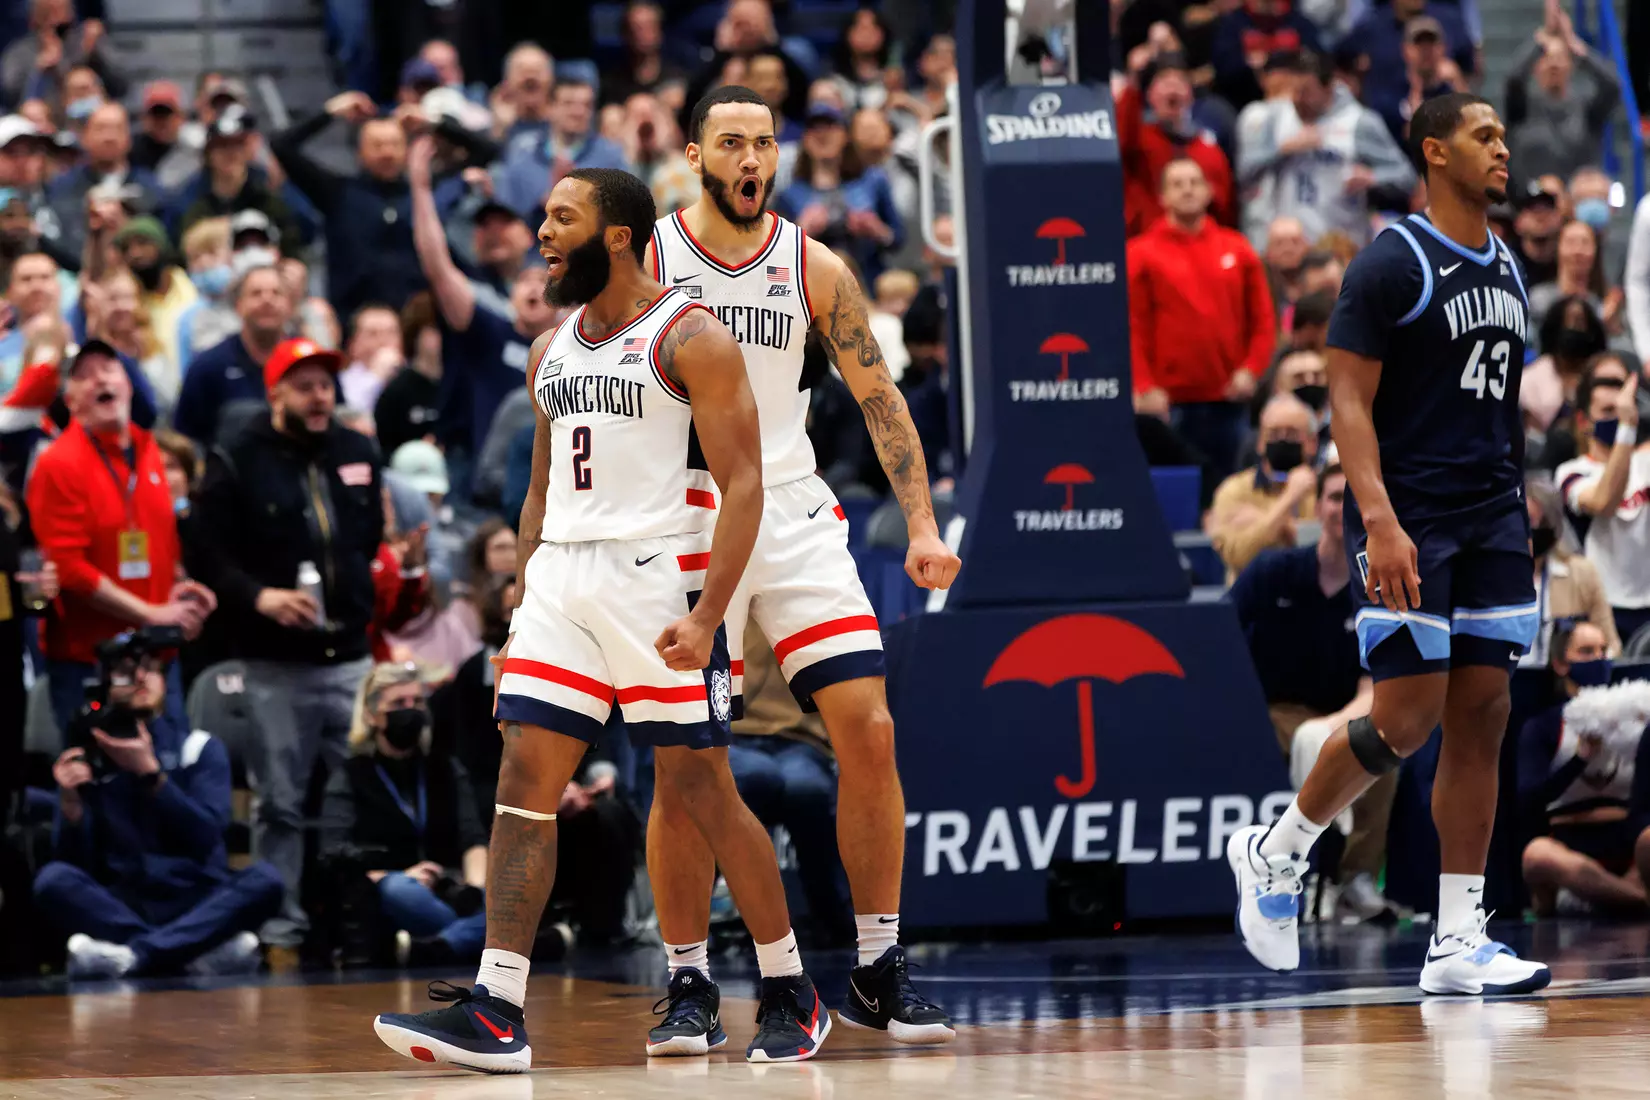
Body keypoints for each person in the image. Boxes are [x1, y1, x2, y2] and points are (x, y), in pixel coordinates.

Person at [372, 166, 829, 1070]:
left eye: (561, 220)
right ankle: (498, 1007)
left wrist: (706, 615)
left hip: (660, 576)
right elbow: (539, 488)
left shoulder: (691, 334)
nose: (543, 235)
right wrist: (522, 597)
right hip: (563, 583)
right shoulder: (550, 350)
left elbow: (744, 484)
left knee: (700, 789)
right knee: (521, 785)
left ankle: (789, 985)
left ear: (616, 235)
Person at [642, 85, 959, 1055]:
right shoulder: (649, 259)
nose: (751, 157)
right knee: (685, 761)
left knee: (867, 725)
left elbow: (880, 396)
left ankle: (876, 962)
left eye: (764, 143)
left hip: (789, 504)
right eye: (730, 141)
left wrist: (921, 521)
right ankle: (689, 975)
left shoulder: (813, 266)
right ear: (695, 156)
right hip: (683, 512)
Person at [1227, 93, 1551, 995]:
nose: (1501, 148)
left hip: (1491, 512)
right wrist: (1378, 519)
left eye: (1502, 134)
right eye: (1484, 135)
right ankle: (1277, 851)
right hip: (1408, 513)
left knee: (1484, 713)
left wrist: (1516, 497)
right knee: (1407, 717)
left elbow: (1493, 404)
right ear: (1435, 151)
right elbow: (1348, 403)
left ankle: (1456, 940)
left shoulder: (1509, 265)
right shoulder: (1390, 261)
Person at [184, 337, 384, 951]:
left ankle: (349, 918)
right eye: (305, 385)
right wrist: (261, 597)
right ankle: (283, 923)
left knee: (361, 795)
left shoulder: (357, 450)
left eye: (326, 383)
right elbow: (205, 553)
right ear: (275, 393)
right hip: (276, 663)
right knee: (280, 805)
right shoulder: (238, 459)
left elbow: (367, 534)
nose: (319, 395)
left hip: (351, 657)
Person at [33, 640, 284, 978]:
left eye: (151, 669)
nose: (140, 678)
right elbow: (74, 861)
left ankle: (134, 956)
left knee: (266, 880)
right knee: (52, 881)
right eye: (125, 672)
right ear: (104, 685)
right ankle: (191, 954)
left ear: (166, 682)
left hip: (196, 897)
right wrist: (70, 806)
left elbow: (207, 837)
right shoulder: (89, 755)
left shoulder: (198, 747)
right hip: (123, 902)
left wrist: (152, 776)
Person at [25, 340, 215, 734]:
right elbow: (69, 570)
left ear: (128, 384)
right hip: (92, 660)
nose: (99, 379)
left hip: (158, 655)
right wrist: (151, 613)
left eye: (108, 369)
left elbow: (162, 543)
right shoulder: (58, 463)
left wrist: (182, 593)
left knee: (168, 778)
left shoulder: (149, 451)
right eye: (83, 375)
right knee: (100, 786)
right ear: (71, 400)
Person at [1230, 464, 1393, 918]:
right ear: (1318, 506)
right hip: (1270, 713)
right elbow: (1219, 639)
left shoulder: (1375, 587)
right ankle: (1262, 867)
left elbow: (1372, 688)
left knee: (1384, 749)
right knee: (1255, 739)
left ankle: (1355, 880)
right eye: (1335, 498)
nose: (1343, 510)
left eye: (1352, 500)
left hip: (1342, 711)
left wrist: (1328, 729)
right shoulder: (1272, 571)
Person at [321, 662, 490, 965]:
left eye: (417, 702)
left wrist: (475, 889)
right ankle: (485, 941)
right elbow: (334, 851)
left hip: (452, 889)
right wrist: (401, 875)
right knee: (399, 890)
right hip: (394, 889)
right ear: (372, 715)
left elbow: (473, 837)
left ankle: (437, 948)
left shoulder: (446, 768)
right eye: (399, 703)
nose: (410, 710)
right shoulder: (351, 775)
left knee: (507, 898)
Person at [1128, 156, 1276, 480]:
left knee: (1233, 493)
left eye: (1194, 182)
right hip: (1169, 406)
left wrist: (1251, 370)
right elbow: (1132, 326)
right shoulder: (1140, 253)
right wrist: (1143, 386)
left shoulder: (1237, 248)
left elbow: (1263, 320)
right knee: (1178, 500)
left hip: (1229, 402)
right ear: (1162, 197)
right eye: (1177, 184)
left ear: (1209, 192)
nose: (1187, 190)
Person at [1518, 619, 1646, 915]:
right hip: (1570, 851)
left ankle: (1621, 893)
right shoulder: (1544, 727)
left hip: (1630, 850)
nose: (1599, 660)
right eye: (1587, 652)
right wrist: (1579, 760)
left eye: (1604, 651)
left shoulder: (1639, 717)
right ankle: (1637, 899)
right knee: (1537, 856)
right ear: (1561, 664)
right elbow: (1528, 800)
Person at [1555, 369, 1650, 645]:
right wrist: (1627, 427)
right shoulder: (1571, 472)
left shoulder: (1644, 462)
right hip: (1603, 607)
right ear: (1584, 421)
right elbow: (1604, 502)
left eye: (1622, 408)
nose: (1619, 415)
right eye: (1609, 410)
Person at [1206, 392, 1320, 579]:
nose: (1282, 439)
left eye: (1292, 433)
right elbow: (1239, 557)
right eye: (1274, 433)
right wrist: (1289, 498)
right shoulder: (1233, 490)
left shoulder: (1326, 488)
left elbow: (1326, 554)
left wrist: (1262, 520)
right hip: (1249, 598)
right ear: (1260, 442)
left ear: (1312, 442)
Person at [1521, 476, 1619, 669]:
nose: (1534, 530)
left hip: (1564, 686)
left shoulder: (1582, 574)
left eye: (1543, 522)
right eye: (1530, 521)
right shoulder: (1490, 579)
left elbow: (1612, 645)